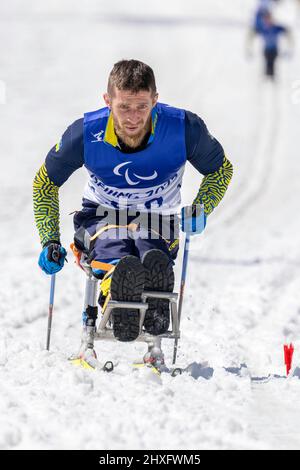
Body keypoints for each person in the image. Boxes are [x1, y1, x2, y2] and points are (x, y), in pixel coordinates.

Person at [33, 60, 233, 358]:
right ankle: (120, 288)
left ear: (155, 99)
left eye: (141, 106)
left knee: (149, 248)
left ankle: (155, 298)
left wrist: (201, 207)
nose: (133, 117)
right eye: (124, 107)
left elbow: (220, 169)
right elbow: (45, 183)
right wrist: (49, 238)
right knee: (117, 246)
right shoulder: (86, 133)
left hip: (158, 218)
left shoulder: (183, 128)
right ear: (107, 100)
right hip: (101, 214)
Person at [248, 9, 292, 79]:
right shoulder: (263, 28)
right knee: (267, 63)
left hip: (274, 50)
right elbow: (253, 32)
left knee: (272, 64)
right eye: (266, 19)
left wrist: (290, 43)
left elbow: (286, 30)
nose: (268, 21)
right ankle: (267, 76)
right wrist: (249, 44)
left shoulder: (276, 28)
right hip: (266, 50)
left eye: (269, 19)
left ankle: (271, 76)